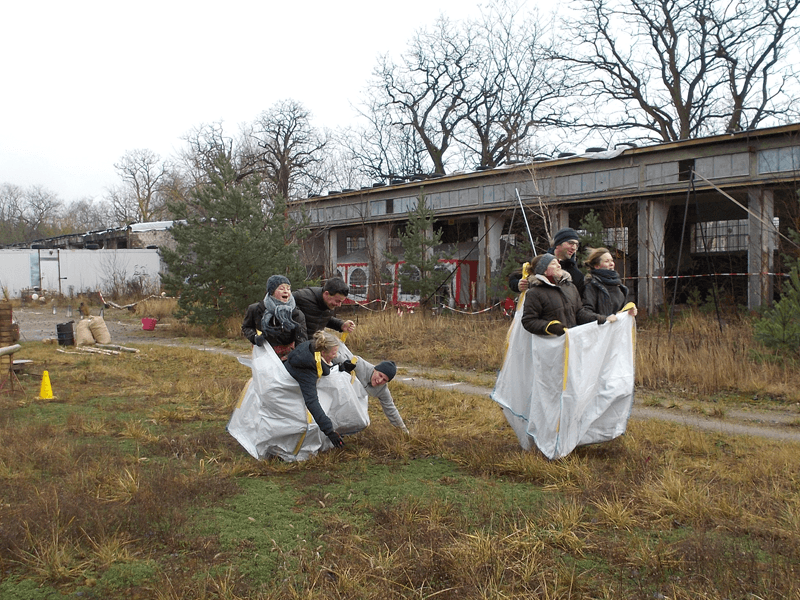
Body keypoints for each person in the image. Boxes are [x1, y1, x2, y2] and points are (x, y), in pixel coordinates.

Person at [284, 331, 345, 448]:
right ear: (323, 353)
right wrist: (329, 431)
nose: (336, 356)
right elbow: (311, 402)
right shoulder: (306, 368)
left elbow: (324, 366)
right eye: (334, 353)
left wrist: (340, 366)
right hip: (286, 398)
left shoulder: (313, 347)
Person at [521, 253, 597, 336]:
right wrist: (550, 327)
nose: (559, 266)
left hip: (571, 340)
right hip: (551, 342)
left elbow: (579, 312)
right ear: (544, 271)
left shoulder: (570, 287)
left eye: (558, 263)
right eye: (553, 264)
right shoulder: (534, 293)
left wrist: (598, 318)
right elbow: (528, 321)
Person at [241, 275, 307, 361]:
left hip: (288, 355)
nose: (286, 291)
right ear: (272, 291)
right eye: (281, 289)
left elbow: (302, 338)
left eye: (288, 289)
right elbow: (246, 327)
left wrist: (297, 356)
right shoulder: (256, 309)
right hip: (263, 354)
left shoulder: (296, 313)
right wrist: (254, 337)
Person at [336, 357, 409, 433]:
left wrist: (404, 431)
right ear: (375, 370)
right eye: (380, 375)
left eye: (384, 380)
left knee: (363, 422)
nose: (379, 381)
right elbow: (337, 356)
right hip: (337, 391)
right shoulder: (359, 364)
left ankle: (341, 433)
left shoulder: (382, 390)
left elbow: (391, 409)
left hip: (353, 400)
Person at [509, 227, 586, 296]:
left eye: (576, 244)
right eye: (571, 243)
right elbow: (513, 277)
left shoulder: (577, 275)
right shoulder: (539, 262)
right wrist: (518, 284)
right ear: (558, 244)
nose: (574, 248)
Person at [582, 248, 637, 323]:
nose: (611, 264)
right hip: (602, 329)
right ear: (596, 266)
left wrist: (629, 311)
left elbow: (621, 310)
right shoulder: (591, 285)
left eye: (612, 260)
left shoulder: (619, 286)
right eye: (607, 261)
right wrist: (604, 319)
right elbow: (585, 313)